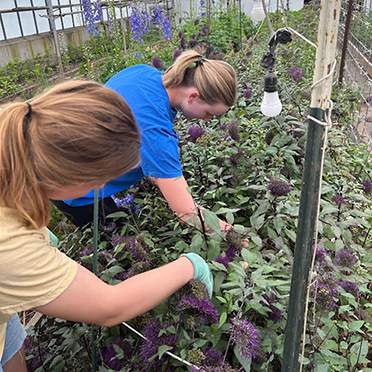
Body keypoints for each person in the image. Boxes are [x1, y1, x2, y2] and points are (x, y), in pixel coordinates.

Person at [0, 80, 213, 372]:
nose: (103, 186)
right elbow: (111, 306)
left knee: (11, 341)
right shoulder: (10, 248)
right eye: (100, 178)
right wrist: (189, 266)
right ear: (65, 172)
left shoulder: (12, 139)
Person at [53, 47, 240, 234]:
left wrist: (165, 179)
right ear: (193, 96)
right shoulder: (155, 131)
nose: (207, 120)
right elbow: (187, 213)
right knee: (117, 245)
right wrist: (233, 235)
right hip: (74, 188)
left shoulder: (144, 72)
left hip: (56, 152)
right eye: (208, 113)